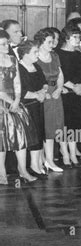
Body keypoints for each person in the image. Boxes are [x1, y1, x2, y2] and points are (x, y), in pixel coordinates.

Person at [0, 30, 34, 185]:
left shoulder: (12, 59)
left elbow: (17, 82)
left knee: (20, 135)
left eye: (7, 43)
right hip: (2, 102)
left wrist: (17, 99)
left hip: (14, 101)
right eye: (3, 44)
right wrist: (8, 101)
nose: (7, 46)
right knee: (1, 139)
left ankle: (23, 170)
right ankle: (2, 173)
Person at [57, 26, 81, 169]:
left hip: (78, 94)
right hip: (66, 94)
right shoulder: (58, 54)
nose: (79, 40)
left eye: (79, 37)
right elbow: (59, 74)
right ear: (66, 38)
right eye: (75, 37)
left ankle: (73, 153)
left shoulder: (80, 55)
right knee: (64, 125)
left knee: (76, 124)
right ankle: (65, 154)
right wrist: (74, 87)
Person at [35, 28, 67, 171]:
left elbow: (60, 75)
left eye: (53, 41)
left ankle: (49, 160)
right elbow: (33, 79)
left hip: (55, 94)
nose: (53, 43)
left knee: (56, 126)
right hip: (43, 95)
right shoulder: (35, 57)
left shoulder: (54, 56)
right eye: (49, 41)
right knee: (46, 128)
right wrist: (43, 92)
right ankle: (46, 161)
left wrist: (59, 89)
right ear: (41, 42)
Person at [18, 40, 49, 180]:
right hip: (26, 107)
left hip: (38, 105)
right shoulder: (19, 68)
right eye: (35, 52)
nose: (37, 54)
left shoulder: (36, 66)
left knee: (39, 134)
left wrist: (42, 92)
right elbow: (20, 90)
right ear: (25, 54)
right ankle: (32, 167)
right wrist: (37, 95)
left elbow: (44, 83)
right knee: (32, 137)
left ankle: (37, 165)